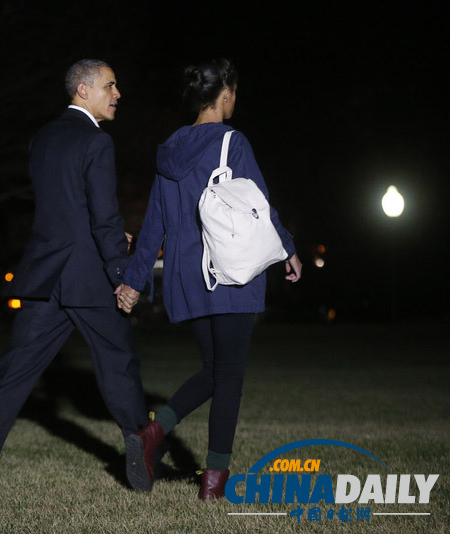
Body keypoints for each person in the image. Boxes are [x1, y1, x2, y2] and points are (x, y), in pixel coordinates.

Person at [0, 59, 149, 481]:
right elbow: (103, 217)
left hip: (46, 275)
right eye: (110, 86)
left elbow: (65, 210)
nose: (117, 94)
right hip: (87, 275)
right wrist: (123, 273)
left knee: (15, 369)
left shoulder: (42, 138)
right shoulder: (97, 142)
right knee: (118, 364)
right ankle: (143, 467)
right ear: (83, 90)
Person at [115, 58, 303, 496]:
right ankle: (214, 481)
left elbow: (154, 223)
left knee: (215, 370)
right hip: (230, 271)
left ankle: (152, 434)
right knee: (229, 375)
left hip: (187, 277)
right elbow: (259, 207)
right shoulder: (233, 143)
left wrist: (136, 279)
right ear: (225, 95)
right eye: (234, 93)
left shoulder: (168, 150)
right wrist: (289, 249)